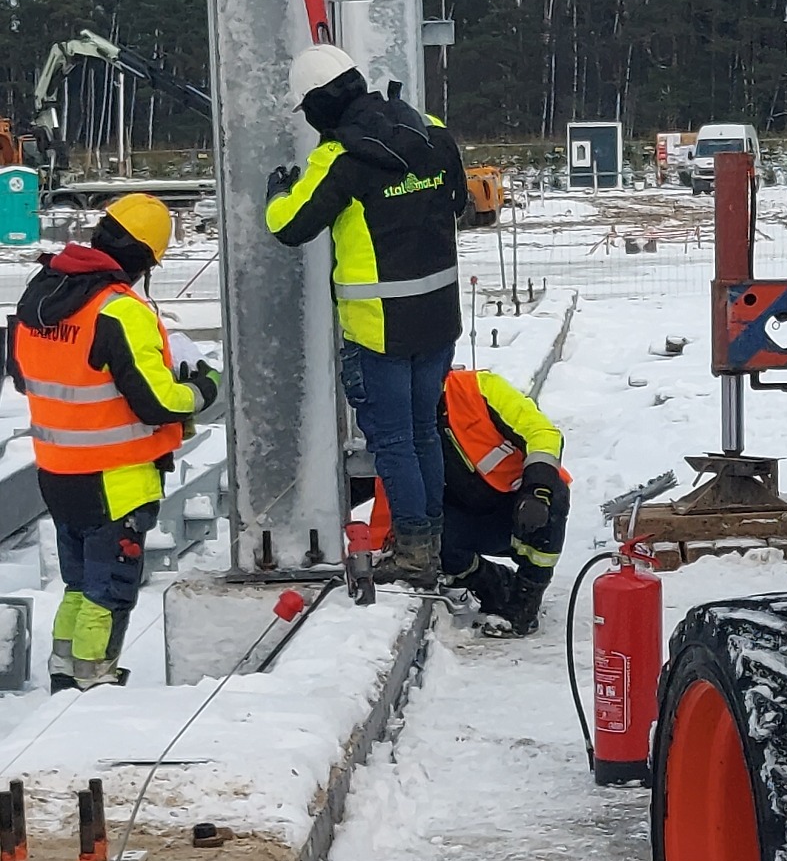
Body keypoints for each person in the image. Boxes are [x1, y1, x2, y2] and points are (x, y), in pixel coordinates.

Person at [266, 44, 467, 589]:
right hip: (438, 317)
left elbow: (289, 226)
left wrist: (279, 191)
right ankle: (430, 542)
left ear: (315, 106)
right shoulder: (430, 130)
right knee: (424, 431)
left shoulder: (340, 158)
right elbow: (458, 202)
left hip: (380, 327)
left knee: (395, 441)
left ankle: (415, 553)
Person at [12, 194, 219, 691]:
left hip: (57, 470)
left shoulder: (42, 296)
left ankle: (65, 672)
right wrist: (203, 387)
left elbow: (24, 376)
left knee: (80, 583)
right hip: (117, 476)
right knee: (110, 588)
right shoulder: (119, 311)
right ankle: (93, 679)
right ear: (146, 259)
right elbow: (158, 402)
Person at [370, 368, 570, 635]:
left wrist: (538, 490)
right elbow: (393, 492)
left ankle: (525, 600)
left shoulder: (479, 388)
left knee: (554, 495)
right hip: (463, 518)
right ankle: (492, 585)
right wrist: (378, 552)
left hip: (522, 506)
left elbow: (543, 433)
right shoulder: (399, 423)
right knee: (423, 538)